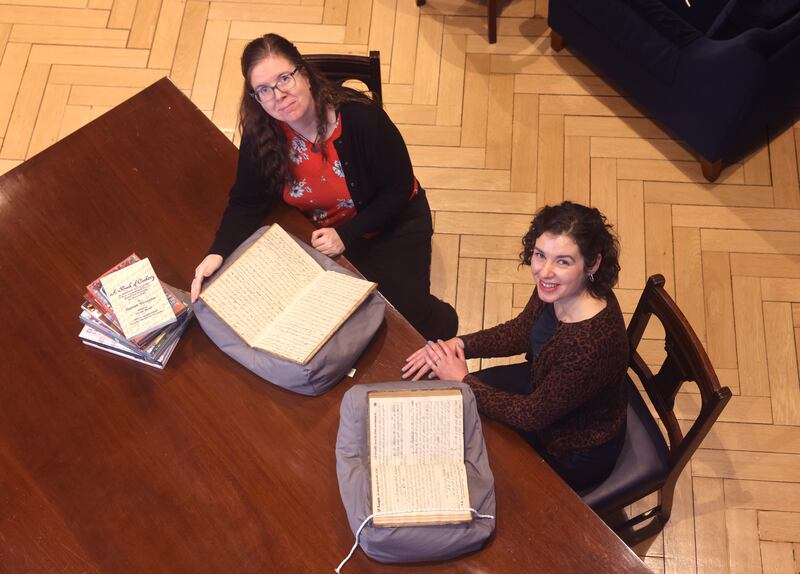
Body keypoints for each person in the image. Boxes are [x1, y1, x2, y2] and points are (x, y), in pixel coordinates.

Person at [190, 33, 458, 341]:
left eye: (284, 79)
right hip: (323, 234)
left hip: (391, 222)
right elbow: (246, 201)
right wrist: (218, 251)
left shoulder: (362, 119)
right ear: (256, 97)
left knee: (408, 313)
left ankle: (444, 324)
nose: (278, 94)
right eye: (264, 89)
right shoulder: (260, 132)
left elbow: (398, 189)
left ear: (303, 73)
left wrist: (346, 235)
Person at [401, 201, 628, 491]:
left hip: (571, 446)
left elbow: (533, 416)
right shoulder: (559, 288)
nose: (544, 272)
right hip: (542, 388)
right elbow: (522, 331)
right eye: (540, 255)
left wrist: (463, 379)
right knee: (449, 404)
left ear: (593, 263)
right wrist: (460, 344)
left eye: (563, 261)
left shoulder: (590, 345)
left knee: (471, 455)